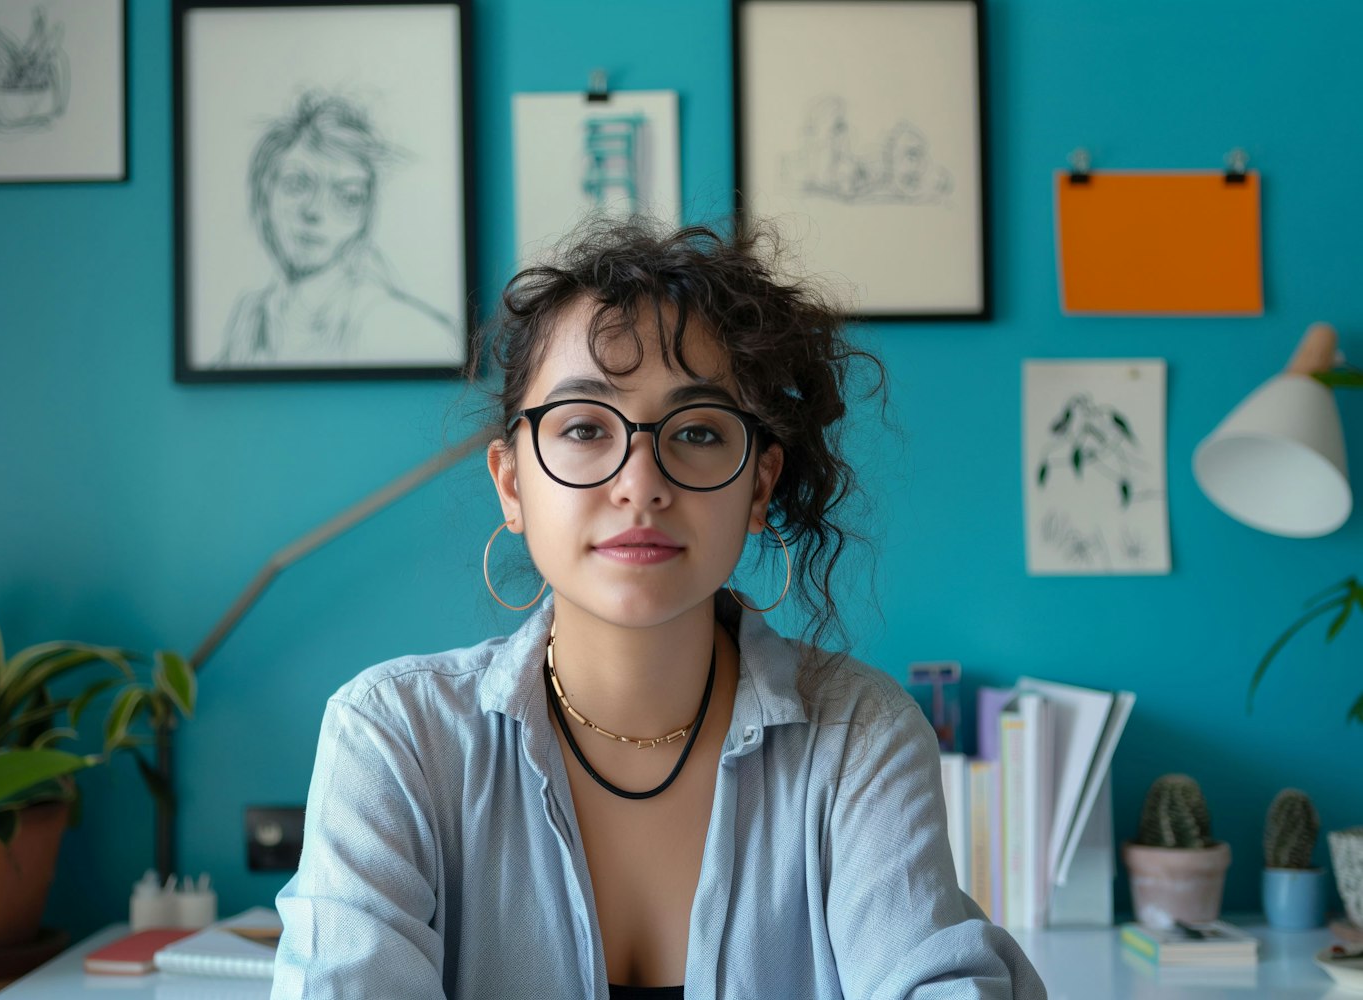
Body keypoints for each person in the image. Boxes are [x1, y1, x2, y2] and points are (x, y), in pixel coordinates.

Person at [271, 219, 1046, 999]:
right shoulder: (395, 738)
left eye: (699, 431)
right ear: (511, 483)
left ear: (759, 487)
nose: (640, 481)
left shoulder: (858, 736)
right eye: (582, 428)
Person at [217, 93, 459, 368]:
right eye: (297, 184)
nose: (314, 212)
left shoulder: (388, 321)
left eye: (347, 196)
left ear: (365, 215)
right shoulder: (252, 315)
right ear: (264, 194)